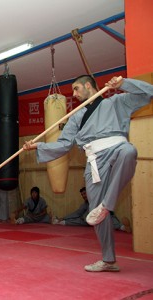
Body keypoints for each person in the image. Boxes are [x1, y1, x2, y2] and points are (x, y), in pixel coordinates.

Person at [23, 76, 153, 272]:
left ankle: (107, 204)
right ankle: (109, 260)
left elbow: (148, 94)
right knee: (97, 212)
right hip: (94, 161)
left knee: (129, 151)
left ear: (88, 85)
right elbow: (64, 145)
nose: (74, 95)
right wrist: (37, 146)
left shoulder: (116, 101)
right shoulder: (76, 116)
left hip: (117, 148)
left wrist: (124, 84)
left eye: (76, 89)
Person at [52, 187, 132, 233]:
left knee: (108, 218)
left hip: (102, 218)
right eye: (82, 195)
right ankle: (60, 222)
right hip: (89, 221)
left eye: (84, 193)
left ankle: (123, 227)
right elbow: (77, 213)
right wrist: (64, 217)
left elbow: (108, 211)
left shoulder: (98, 199)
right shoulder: (85, 204)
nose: (83, 196)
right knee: (80, 219)